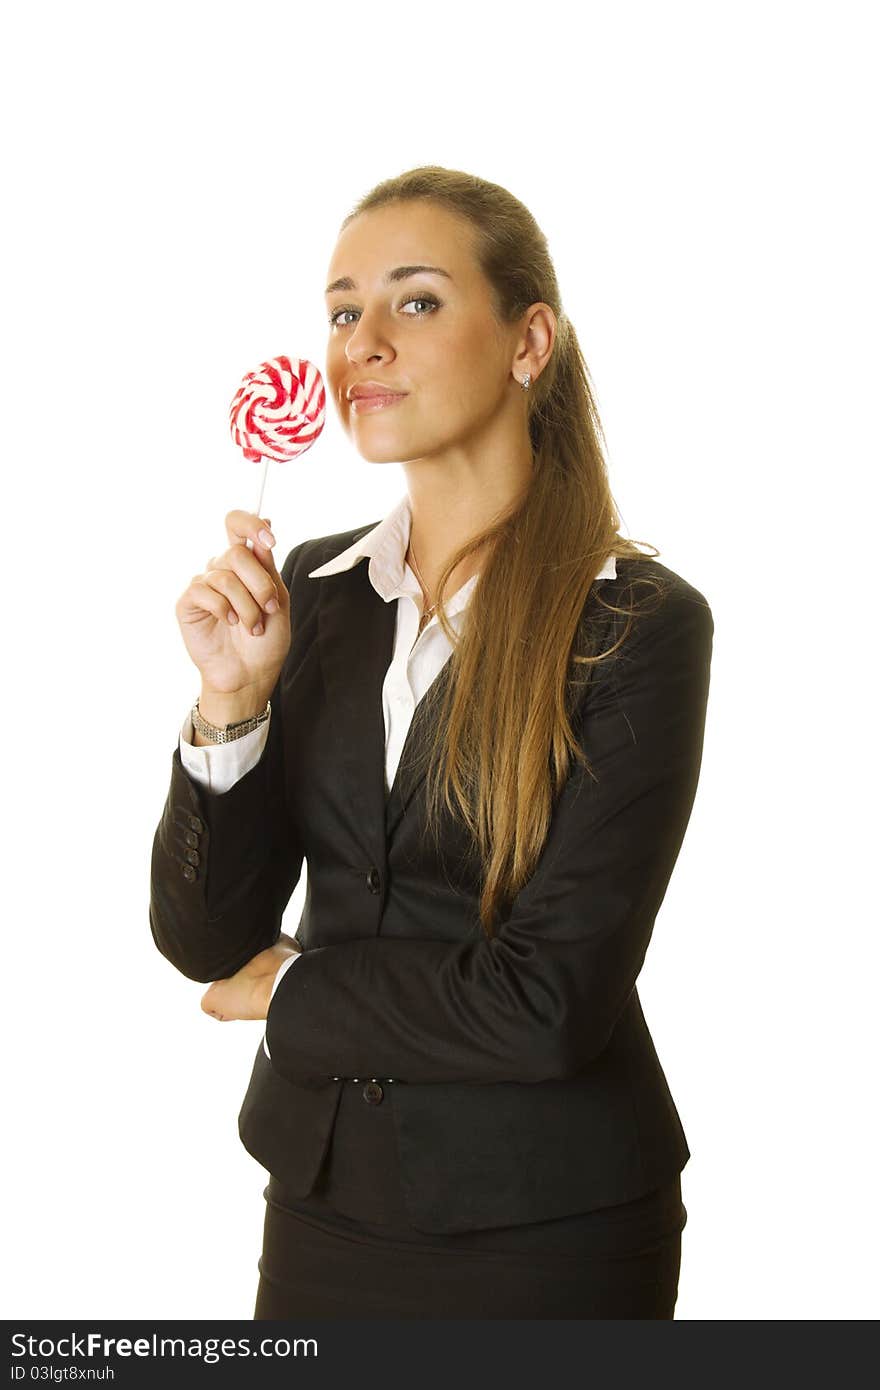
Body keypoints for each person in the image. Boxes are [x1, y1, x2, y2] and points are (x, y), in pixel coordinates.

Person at [149, 165, 714, 1320]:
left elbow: (549, 1001)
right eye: (342, 310)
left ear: (527, 341)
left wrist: (299, 992)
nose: (362, 343)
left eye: (413, 302)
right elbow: (206, 939)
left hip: (544, 1224)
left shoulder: (637, 626)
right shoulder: (314, 589)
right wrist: (231, 708)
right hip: (318, 1198)